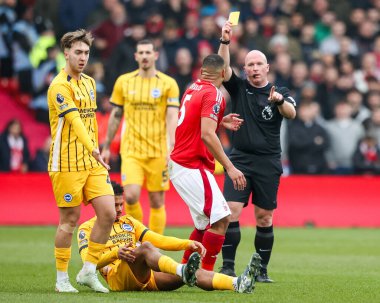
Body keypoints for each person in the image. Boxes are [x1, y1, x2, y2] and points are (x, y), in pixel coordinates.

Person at [77, 180, 262, 294]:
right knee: (147, 248)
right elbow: (89, 264)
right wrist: (116, 253)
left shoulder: (129, 221)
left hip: (145, 276)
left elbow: (159, 239)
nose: (118, 209)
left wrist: (188, 243)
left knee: (192, 272)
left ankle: (238, 284)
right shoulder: (86, 228)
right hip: (119, 278)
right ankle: (182, 270)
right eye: (114, 205)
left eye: (120, 205)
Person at [217, 21, 297, 282]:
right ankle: (228, 267)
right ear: (245, 69)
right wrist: (225, 41)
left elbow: (292, 113)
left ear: (267, 68)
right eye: (249, 64)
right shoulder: (239, 88)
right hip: (239, 159)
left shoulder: (279, 92)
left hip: (268, 162)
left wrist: (280, 101)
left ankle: (261, 271)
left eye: (258, 64)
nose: (254, 68)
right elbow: (222, 68)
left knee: (264, 217)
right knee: (231, 210)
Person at [47, 29, 116, 293]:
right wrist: (95, 149)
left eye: (86, 52)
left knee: (108, 213)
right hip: (66, 162)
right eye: (78, 52)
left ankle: (88, 271)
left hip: (92, 161)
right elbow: (75, 122)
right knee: (69, 220)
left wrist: (97, 153)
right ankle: (61, 279)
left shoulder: (89, 82)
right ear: (66, 53)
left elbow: (90, 122)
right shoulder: (59, 86)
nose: (83, 57)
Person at [170, 54, 247, 271]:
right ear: (223, 73)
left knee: (204, 224)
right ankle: (206, 272)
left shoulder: (193, 88)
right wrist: (230, 168)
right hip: (191, 164)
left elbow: (194, 122)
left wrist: (219, 121)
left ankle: (184, 270)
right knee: (222, 219)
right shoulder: (214, 94)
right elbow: (206, 134)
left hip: (182, 163)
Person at [101, 39, 180, 235]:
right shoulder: (124, 82)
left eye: (148, 52)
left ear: (155, 55)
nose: (144, 56)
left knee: (156, 200)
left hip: (158, 151)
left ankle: (154, 244)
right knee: (131, 196)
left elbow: (172, 115)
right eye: (141, 53)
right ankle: (139, 238)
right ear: (136, 56)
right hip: (131, 150)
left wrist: (172, 145)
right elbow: (116, 115)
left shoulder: (168, 84)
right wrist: (106, 146)